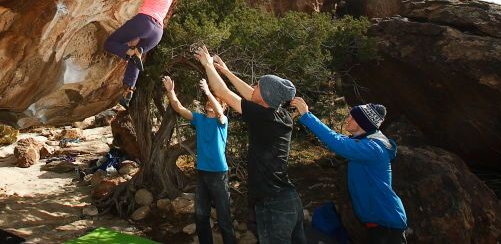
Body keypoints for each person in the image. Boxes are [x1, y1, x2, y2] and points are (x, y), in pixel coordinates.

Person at [195, 46, 306, 244]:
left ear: (263, 98)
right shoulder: (280, 115)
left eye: (257, 85)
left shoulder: (263, 117)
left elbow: (222, 91)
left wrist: (208, 65)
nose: (253, 86)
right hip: (290, 200)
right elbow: (251, 94)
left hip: (274, 206)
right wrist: (227, 71)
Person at [291, 97, 407, 244]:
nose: (347, 119)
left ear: (363, 123)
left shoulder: (374, 149)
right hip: (379, 223)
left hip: (387, 225)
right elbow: (340, 139)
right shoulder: (366, 144)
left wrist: (307, 116)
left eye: (352, 117)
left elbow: (339, 143)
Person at [103, 0, 187, 107]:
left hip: (145, 22)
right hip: (157, 32)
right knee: (137, 55)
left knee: (110, 43)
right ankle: (128, 91)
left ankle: (130, 54)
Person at [163, 75, 236, 244]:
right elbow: (179, 108)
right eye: (208, 101)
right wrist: (171, 92)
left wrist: (209, 92)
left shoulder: (222, 122)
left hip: (219, 174)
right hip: (202, 173)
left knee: (224, 218)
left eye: (216, 102)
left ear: (223, 107)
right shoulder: (200, 120)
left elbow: (219, 112)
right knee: (201, 215)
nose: (210, 103)